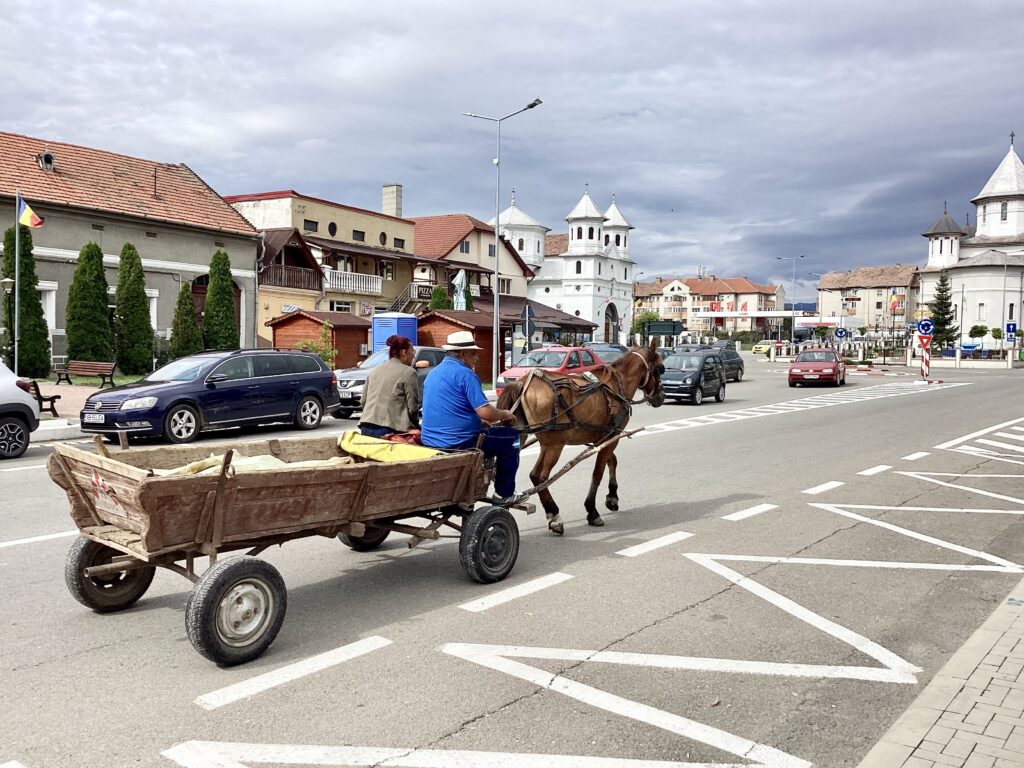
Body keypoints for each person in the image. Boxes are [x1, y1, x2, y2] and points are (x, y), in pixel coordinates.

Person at [420, 330, 525, 505]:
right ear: (462, 354)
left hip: (430, 439)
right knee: (512, 438)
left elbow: (449, 408)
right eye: (473, 353)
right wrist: (505, 414)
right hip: (458, 441)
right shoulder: (466, 374)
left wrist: (478, 421)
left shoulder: (433, 373)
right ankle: (504, 493)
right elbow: (486, 411)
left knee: (488, 430)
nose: (476, 358)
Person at [358, 335, 420, 438]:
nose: (413, 356)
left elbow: (363, 401)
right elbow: (412, 407)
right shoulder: (409, 372)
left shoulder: (375, 371)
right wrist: (416, 426)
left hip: (366, 426)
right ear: (404, 352)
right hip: (390, 430)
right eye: (412, 352)